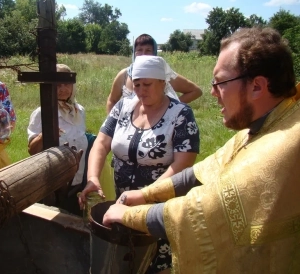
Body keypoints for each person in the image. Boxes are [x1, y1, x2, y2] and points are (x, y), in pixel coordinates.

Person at [102, 27, 300, 273]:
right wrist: (146, 194)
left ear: (257, 86)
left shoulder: (282, 144)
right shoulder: (269, 125)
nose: (213, 93)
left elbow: (202, 213)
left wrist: (129, 215)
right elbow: (201, 171)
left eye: (220, 83)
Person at [79, 55, 200, 273]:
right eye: (136, 84)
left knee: (155, 261)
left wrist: (146, 195)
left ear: (163, 83)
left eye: (147, 85)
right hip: (123, 204)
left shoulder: (180, 114)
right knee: (125, 259)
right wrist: (93, 178)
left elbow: (183, 164)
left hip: (159, 206)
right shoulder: (123, 107)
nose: (141, 90)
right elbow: (101, 143)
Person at [27, 64, 89, 215]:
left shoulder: (79, 111)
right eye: (57, 84)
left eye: (66, 83)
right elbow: (32, 150)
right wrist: (45, 134)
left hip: (77, 182)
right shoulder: (41, 112)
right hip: (52, 186)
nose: (63, 89)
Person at [106, 34, 202, 113]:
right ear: (134, 53)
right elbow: (112, 100)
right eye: (139, 50)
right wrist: (112, 127)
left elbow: (195, 91)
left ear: (154, 53)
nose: (143, 54)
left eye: (148, 50)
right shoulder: (124, 75)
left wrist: (170, 107)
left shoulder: (163, 75)